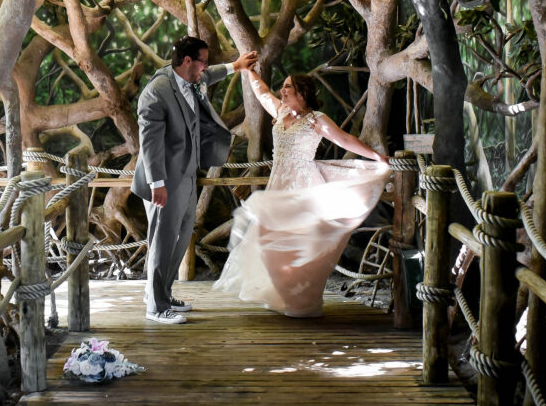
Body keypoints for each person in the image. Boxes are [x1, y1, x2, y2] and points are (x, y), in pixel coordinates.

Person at [214, 65, 391, 317]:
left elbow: (343, 139)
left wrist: (376, 156)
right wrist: (247, 71)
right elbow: (262, 92)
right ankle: (279, 293)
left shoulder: (316, 120)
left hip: (304, 184)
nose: (282, 90)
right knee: (270, 238)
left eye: (288, 87)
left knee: (300, 242)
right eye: (283, 86)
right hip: (279, 183)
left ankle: (302, 299)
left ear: (302, 93)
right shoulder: (280, 110)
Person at [131, 36, 258, 324]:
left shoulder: (191, 78)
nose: (206, 66)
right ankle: (155, 307)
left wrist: (236, 66)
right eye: (202, 60)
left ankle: (162, 292)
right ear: (187, 61)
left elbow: (210, 75)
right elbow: (149, 144)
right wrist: (156, 185)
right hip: (163, 182)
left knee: (182, 236)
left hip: (187, 176)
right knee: (162, 241)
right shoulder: (157, 92)